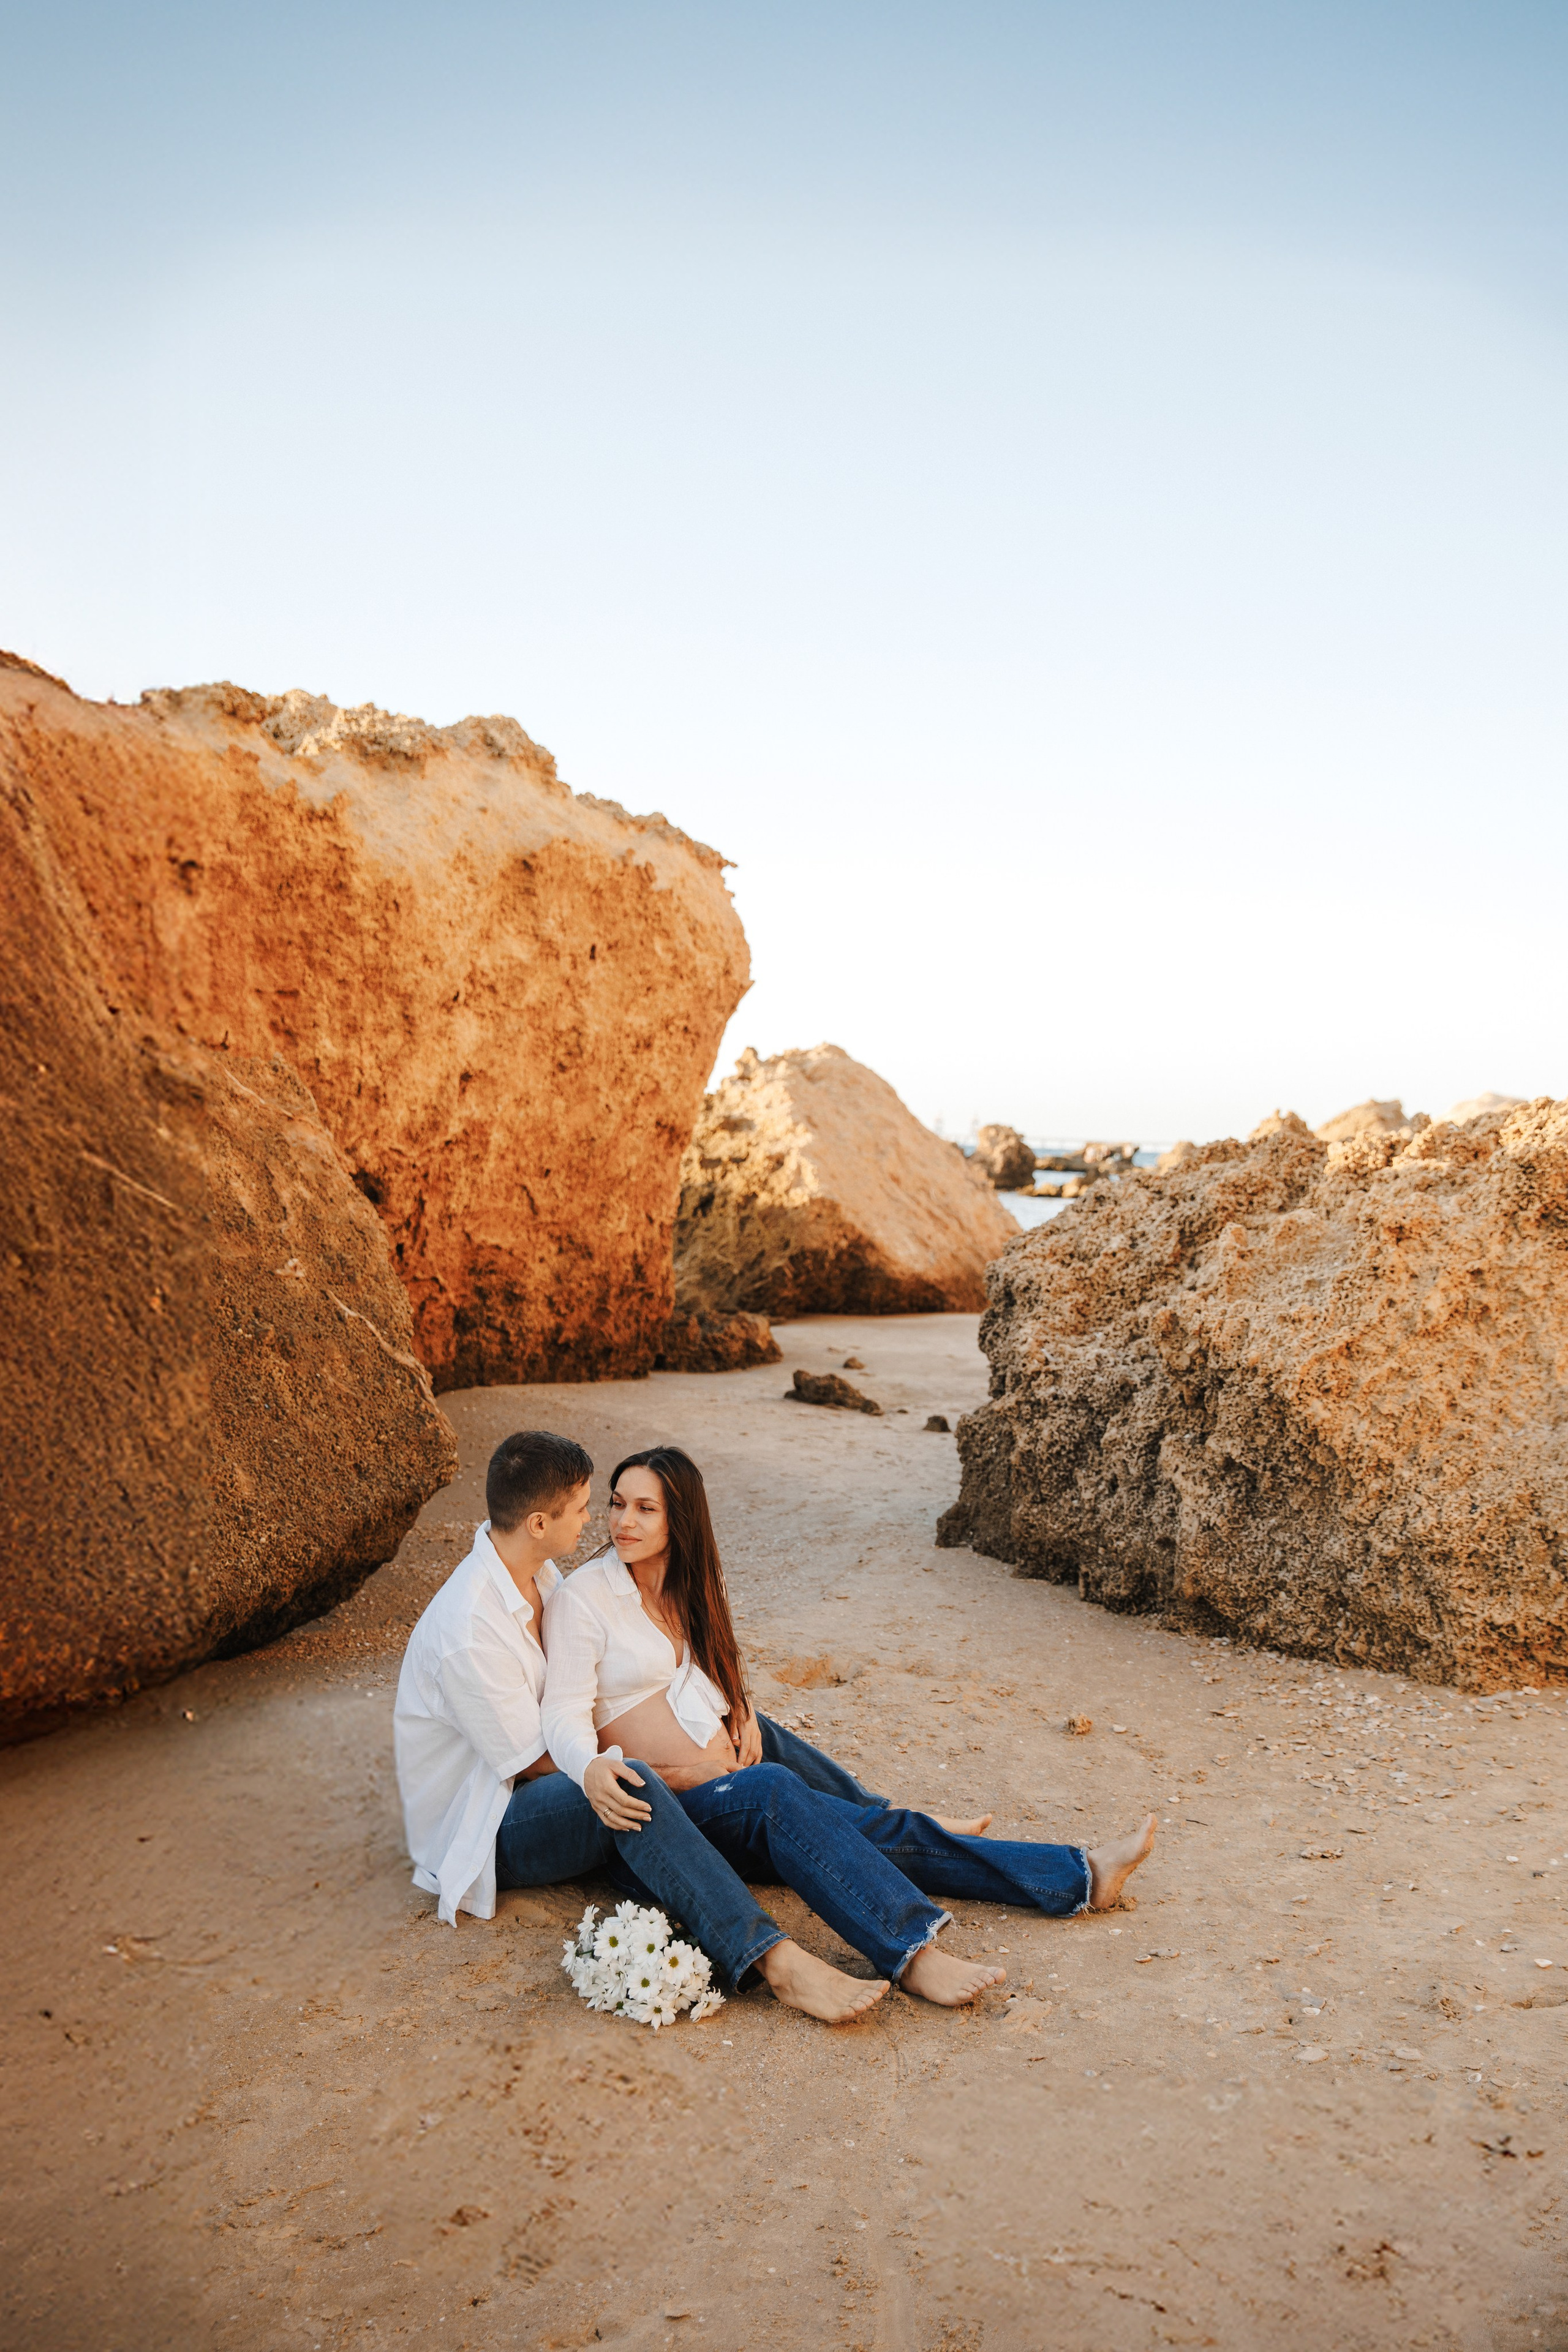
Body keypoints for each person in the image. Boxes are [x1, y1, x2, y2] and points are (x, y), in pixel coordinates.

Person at [540, 1444, 1156, 2011]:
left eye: (645, 1508)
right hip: (673, 1814)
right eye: (617, 1504)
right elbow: (565, 1718)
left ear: (682, 1519)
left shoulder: (698, 1582)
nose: (623, 1521)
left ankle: (1077, 1875)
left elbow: (712, 1664)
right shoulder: (586, 1598)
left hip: (725, 1777)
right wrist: (677, 1772)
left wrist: (741, 1707)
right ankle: (913, 1950)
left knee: (828, 1801)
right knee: (780, 1790)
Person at [394, 1428, 925, 2022]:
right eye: (586, 1507)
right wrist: (685, 1774)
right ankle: (776, 1961)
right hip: (484, 1825)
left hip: (536, 1784)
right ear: (539, 1523)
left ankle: (891, 1826)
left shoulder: (537, 1575)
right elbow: (535, 1762)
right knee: (634, 1782)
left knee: (742, 1748)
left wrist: (734, 1709)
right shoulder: (469, 1629)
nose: (596, 1519)